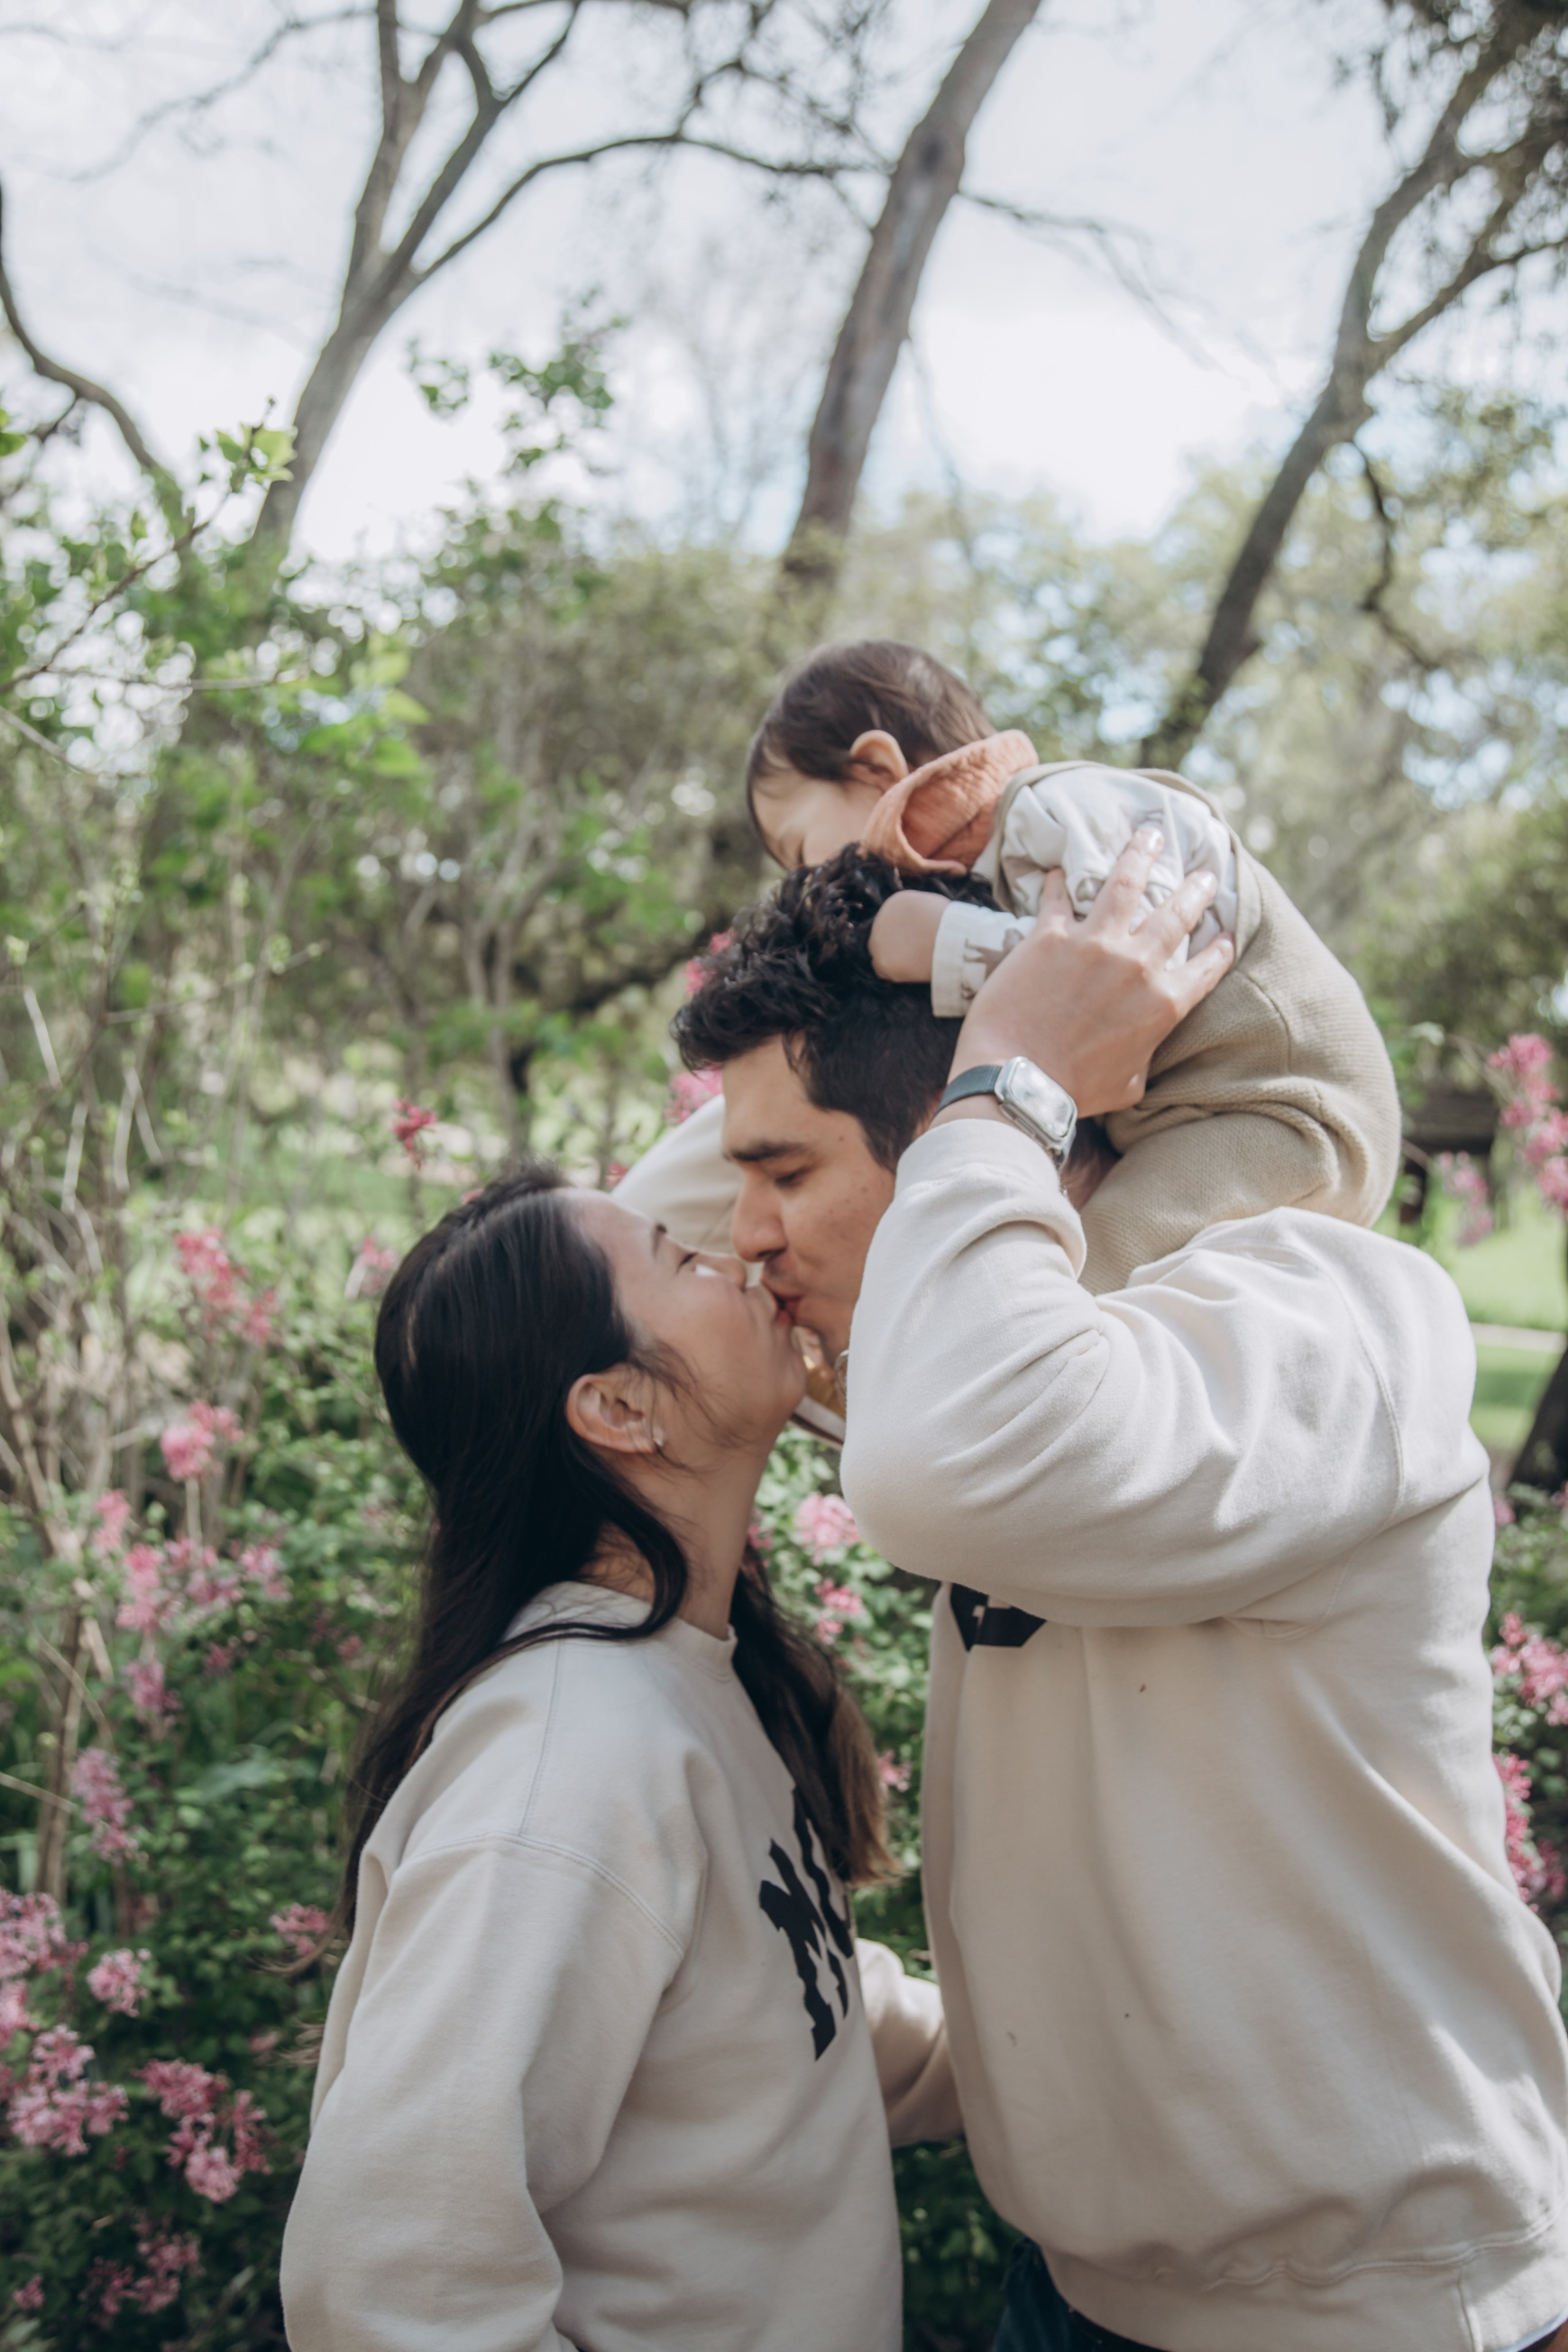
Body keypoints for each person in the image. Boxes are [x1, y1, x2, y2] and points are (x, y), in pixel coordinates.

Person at [669, 837, 1568, 2350]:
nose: (740, 1233)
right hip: (1078, 2293)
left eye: (782, 1174)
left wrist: (1015, 1058)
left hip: (1371, 2316)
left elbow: (948, 1460)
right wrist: (933, 957)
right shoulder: (961, 1329)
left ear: (975, 1136)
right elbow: (638, 1256)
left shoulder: (1332, 1319)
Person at [279, 1166, 957, 2352]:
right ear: (618, 1410)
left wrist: (1076, 2049)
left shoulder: (679, 1681)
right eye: (678, 1258)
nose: (738, 1258)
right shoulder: (563, 1764)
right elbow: (387, 2281)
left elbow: (787, 2023)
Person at [617, 638, 1400, 1306]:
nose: (802, 884)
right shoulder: (1015, 864)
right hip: (1217, 1118)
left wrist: (936, 940)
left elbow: (1110, 963)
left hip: (1288, 1120)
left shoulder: (1060, 810)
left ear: (877, 769)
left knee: (1080, 1291)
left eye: (797, 850)